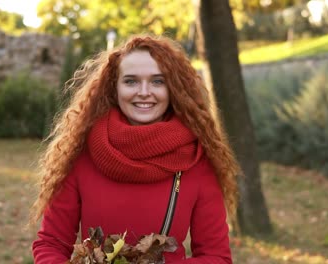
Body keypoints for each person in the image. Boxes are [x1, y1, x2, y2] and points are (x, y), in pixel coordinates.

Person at [30, 34, 240, 263]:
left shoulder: (196, 159)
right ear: (114, 88)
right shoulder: (82, 153)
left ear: (174, 89)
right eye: (130, 81)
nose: (143, 91)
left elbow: (216, 256)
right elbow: (51, 244)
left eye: (158, 81)